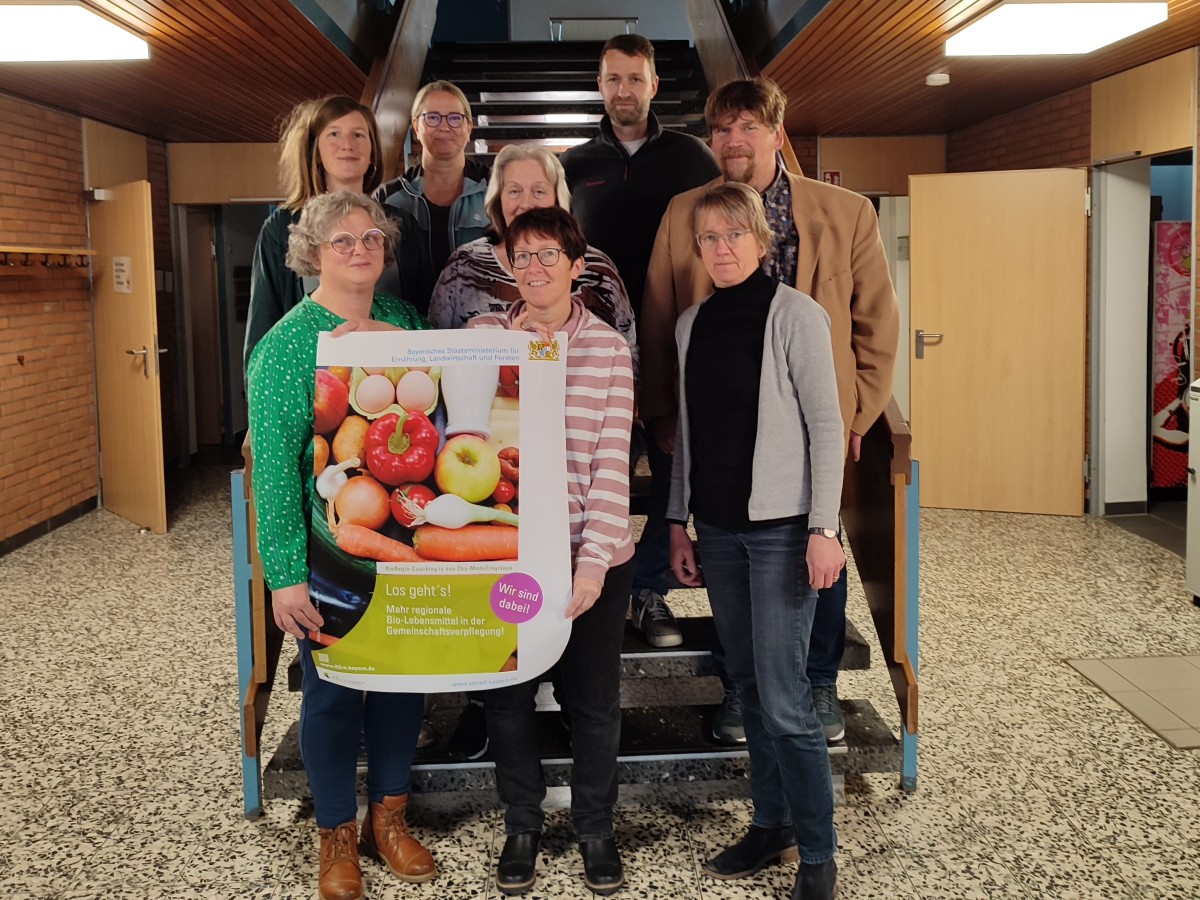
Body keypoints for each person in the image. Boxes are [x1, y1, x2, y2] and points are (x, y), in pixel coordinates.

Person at [642, 76, 899, 747]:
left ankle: (818, 683)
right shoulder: (684, 214)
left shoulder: (847, 214)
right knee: (730, 567)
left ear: (776, 132)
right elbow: (660, 319)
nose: (732, 140)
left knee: (821, 553)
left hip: (813, 427)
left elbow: (876, 326)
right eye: (720, 129)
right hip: (722, 427)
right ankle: (738, 688)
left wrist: (856, 417)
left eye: (747, 126)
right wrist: (666, 417)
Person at [247, 192, 436, 900]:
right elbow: (272, 469)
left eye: (372, 238)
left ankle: (388, 818)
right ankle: (334, 833)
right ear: (312, 253)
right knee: (331, 695)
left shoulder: (404, 321)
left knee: (402, 687)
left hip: (402, 534)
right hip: (331, 555)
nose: (360, 250)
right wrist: (286, 576)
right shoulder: (288, 346)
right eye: (343, 241)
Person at [668, 182, 843, 900]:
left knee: (784, 698)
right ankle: (770, 824)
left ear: (761, 240)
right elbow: (687, 433)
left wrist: (823, 528)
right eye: (708, 239)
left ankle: (818, 854)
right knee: (745, 686)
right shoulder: (690, 324)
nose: (721, 249)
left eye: (733, 235)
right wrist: (678, 519)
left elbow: (828, 427)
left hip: (780, 534)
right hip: (720, 534)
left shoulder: (796, 316)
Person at [468, 207, 635, 897]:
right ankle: (523, 824)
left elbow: (611, 466)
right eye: (523, 256)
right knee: (506, 699)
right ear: (508, 265)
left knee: (591, 703)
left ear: (576, 265)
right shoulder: (482, 340)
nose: (535, 268)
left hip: (586, 557)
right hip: (508, 558)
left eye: (549, 255)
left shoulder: (607, 349)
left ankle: (596, 827)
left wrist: (593, 563)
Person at [560, 33, 721, 653]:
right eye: (612, 80)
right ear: (599, 88)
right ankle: (589, 583)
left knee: (680, 467)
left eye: (635, 79)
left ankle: (648, 585)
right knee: (604, 474)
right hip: (589, 351)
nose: (623, 90)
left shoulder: (694, 159)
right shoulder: (572, 166)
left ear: (654, 85)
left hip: (671, 342)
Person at [429, 142, 638, 373]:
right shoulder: (463, 266)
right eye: (514, 191)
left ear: (558, 200)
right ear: (499, 199)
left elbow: (628, 352)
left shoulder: (598, 269)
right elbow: (440, 354)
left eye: (539, 191)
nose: (526, 204)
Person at [244, 95, 383, 371]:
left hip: (392, 379)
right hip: (308, 383)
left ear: (373, 152)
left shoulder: (397, 222)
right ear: (314, 150)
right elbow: (264, 323)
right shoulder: (282, 228)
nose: (347, 145)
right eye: (334, 134)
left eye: (358, 135)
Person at [375, 80, 490, 316]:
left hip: (481, 325)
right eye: (433, 118)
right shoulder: (389, 198)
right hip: (407, 326)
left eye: (455, 118)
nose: (445, 126)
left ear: (469, 127)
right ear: (416, 127)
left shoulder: (495, 189)